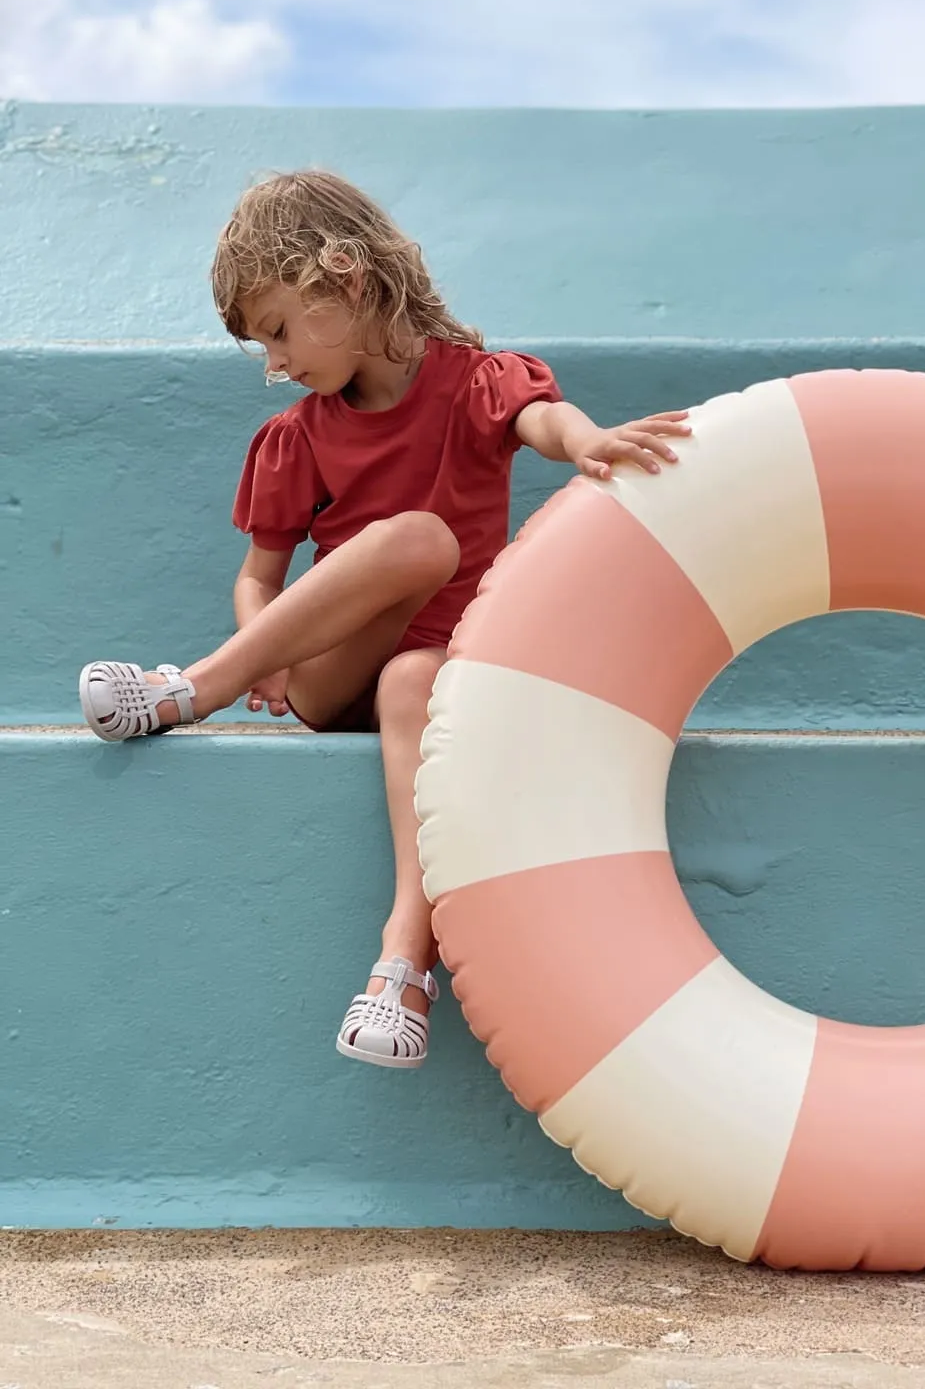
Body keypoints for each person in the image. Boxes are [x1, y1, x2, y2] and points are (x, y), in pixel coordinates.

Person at [78, 169, 689, 1069]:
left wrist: (589, 443)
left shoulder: (477, 385)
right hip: (333, 675)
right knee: (419, 540)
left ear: (346, 278)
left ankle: (402, 967)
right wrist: (265, 651)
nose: (276, 363)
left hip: (445, 682)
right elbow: (259, 578)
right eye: (262, 345)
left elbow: (546, 421)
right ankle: (197, 688)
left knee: (414, 675)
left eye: (279, 329)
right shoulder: (299, 435)